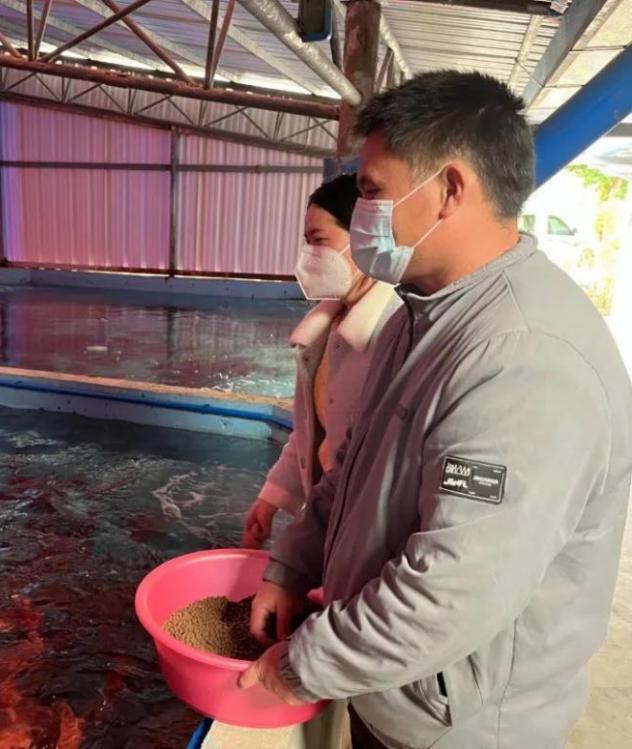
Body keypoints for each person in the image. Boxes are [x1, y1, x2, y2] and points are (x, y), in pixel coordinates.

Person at [239, 70, 632, 749]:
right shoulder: (418, 316)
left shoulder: (523, 358)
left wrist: (302, 666)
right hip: (395, 690)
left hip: (460, 726)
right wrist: (290, 567)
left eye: (371, 192)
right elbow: (352, 468)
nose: (363, 213)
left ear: (449, 189)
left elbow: (452, 591)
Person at [243, 173, 398, 550]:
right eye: (307, 242)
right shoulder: (327, 328)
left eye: (319, 240)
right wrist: (271, 498)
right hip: (329, 519)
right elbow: (313, 430)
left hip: (369, 533)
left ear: (365, 237)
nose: (309, 255)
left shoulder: (395, 332)